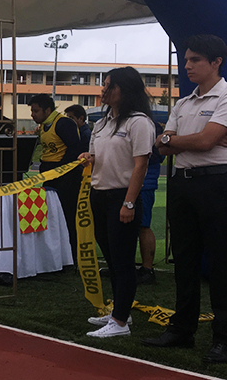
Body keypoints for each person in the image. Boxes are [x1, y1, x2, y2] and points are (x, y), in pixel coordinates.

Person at [143, 34, 227, 364]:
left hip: (218, 184)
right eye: (186, 59)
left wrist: (176, 139)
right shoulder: (184, 101)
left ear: (215, 62)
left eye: (195, 60)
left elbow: (207, 142)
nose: (187, 65)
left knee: (222, 262)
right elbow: (161, 145)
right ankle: (182, 329)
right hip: (183, 184)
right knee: (185, 259)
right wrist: (175, 139)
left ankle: (223, 337)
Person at [78, 67, 156, 339]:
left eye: (110, 86)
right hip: (99, 195)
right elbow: (99, 157)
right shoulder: (101, 122)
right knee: (111, 259)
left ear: (126, 89)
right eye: (104, 85)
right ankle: (119, 312)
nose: (104, 90)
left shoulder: (138, 122)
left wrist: (130, 203)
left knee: (123, 261)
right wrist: (89, 158)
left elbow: (141, 164)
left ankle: (120, 322)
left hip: (123, 197)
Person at [30, 93, 83, 262]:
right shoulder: (45, 126)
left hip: (65, 180)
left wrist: (59, 170)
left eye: (36, 111)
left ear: (47, 110)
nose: (32, 115)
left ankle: (72, 257)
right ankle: (56, 255)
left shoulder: (63, 123)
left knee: (67, 217)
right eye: (31, 111)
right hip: (50, 177)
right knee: (52, 218)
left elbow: (74, 150)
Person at [136, 120, 164, 285]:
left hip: (144, 180)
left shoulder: (148, 124)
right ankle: (123, 266)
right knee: (126, 224)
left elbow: (156, 154)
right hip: (127, 179)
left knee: (143, 224)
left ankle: (147, 270)